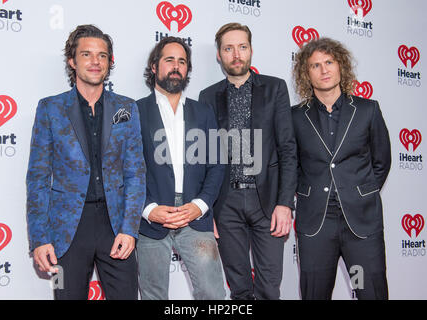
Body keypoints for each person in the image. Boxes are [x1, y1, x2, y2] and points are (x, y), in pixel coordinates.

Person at [26, 24, 145, 300]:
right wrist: (40, 238)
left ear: (109, 62)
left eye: (102, 55)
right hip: (67, 231)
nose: (95, 61)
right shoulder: (50, 108)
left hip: (115, 227)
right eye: (87, 54)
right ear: (72, 61)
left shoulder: (126, 108)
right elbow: (38, 179)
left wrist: (130, 229)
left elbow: (135, 173)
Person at [198, 23, 297, 300]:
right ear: (219, 55)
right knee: (239, 289)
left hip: (267, 201)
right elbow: (204, 158)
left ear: (251, 50)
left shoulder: (275, 88)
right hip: (226, 204)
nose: (236, 54)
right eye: (228, 48)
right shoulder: (207, 96)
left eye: (242, 47)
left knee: (268, 288)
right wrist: (207, 209)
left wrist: (285, 203)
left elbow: (288, 148)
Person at [291, 37, 391, 300]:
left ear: (340, 66)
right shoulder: (295, 117)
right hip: (316, 225)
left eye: (329, 62)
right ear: (306, 73)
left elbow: (381, 161)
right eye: (315, 65)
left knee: (369, 292)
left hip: (361, 224)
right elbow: (292, 165)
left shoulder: (368, 110)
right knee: (315, 295)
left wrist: (359, 192)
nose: (324, 70)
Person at [136, 37, 226, 300]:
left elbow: (217, 164)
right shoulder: (134, 111)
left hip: (195, 216)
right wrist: (149, 210)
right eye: (169, 60)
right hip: (150, 219)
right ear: (154, 66)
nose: (176, 66)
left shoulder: (203, 112)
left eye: (182, 61)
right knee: (154, 295)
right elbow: (125, 169)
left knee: (212, 292)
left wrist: (201, 204)